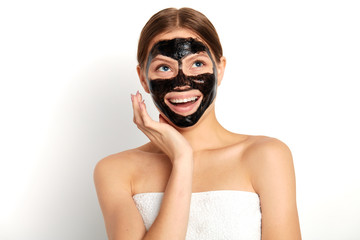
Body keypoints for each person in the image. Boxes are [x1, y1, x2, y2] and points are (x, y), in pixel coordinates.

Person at [94, 7, 301, 240]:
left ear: (220, 69)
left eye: (198, 64)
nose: (182, 83)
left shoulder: (266, 156)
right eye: (164, 67)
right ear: (143, 78)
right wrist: (182, 159)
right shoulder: (116, 171)